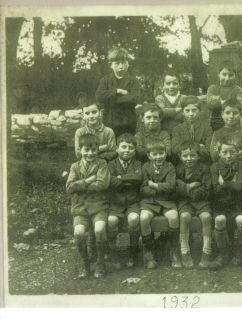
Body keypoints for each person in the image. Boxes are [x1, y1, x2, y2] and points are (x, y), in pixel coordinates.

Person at [66, 133, 110, 279]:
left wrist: (81, 185)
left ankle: (100, 262)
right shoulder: (75, 166)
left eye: (93, 150)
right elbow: (69, 187)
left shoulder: (102, 164)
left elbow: (102, 184)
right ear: (80, 150)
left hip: (99, 205)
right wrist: (89, 180)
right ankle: (85, 264)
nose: (90, 153)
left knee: (99, 229)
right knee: (78, 232)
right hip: (80, 207)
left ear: (98, 150)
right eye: (86, 150)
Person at [139, 139, 180, 269]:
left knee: (173, 217)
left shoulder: (170, 167)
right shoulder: (145, 167)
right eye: (155, 154)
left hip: (167, 201)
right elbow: (142, 189)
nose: (158, 157)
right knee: (144, 218)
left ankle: (173, 251)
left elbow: (171, 187)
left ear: (165, 153)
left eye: (161, 153)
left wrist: (154, 185)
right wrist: (159, 189)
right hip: (149, 202)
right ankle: (149, 253)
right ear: (149, 156)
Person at [209, 137, 242, 268]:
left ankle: (239, 252)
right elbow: (215, 190)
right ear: (219, 153)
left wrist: (224, 183)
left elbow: (241, 186)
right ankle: (223, 253)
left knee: (241, 220)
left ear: (238, 152)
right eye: (224, 152)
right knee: (219, 220)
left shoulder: (241, 165)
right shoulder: (215, 167)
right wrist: (232, 182)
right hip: (220, 204)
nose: (228, 155)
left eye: (232, 152)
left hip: (238, 203)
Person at [107, 133, 142, 268]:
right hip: (115, 203)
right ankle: (113, 252)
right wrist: (128, 179)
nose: (127, 150)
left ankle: (132, 252)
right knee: (111, 221)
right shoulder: (111, 164)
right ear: (117, 148)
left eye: (131, 148)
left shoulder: (138, 163)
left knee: (133, 219)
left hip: (132, 202)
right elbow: (112, 182)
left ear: (135, 151)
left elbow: (138, 179)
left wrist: (121, 178)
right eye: (124, 147)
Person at [175, 141, 213, 269]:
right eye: (185, 156)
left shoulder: (204, 168)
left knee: (206, 217)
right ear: (180, 157)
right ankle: (184, 251)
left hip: (201, 201)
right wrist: (190, 186)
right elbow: (175, 188)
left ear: (198, 156)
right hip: (184, 202)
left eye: (192, 155)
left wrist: (187, 190)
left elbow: (207, 188)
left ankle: (206, 252)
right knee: (184, 217)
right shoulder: (177, 169)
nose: (189, 159)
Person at [96, 47, 141, 137]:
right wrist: (117, 91)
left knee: (127, 147)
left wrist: (111, 99)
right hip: (109, 120)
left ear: (128, 64)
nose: (121, 66)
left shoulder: (134, 81)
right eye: (117, 63)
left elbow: (135, 99)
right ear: (111, 65)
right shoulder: (105, 80)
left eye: (124, 63)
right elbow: (99, 96)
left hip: (128, 121)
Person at [209, 99, 242, 164]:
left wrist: (223, 153)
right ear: (222, 114)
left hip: (240, 169)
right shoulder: (217, 134)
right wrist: (238, 152)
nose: (231, 116)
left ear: (240, 115)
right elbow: (214, 157)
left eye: (235, 113)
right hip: (221, 169)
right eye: (228, 113)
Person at [171, 95, 213, 163]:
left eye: (194, 110)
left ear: (199, 111)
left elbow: (209, 150)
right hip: (183, 163)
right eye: (187, 110)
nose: (191, 114)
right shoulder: (177, 129)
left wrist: (184, 146)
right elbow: (175, 149)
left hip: (202, 163)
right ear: (182, 112)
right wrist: (199, 146)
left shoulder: (207, 128)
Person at [207, 60, 242, 131]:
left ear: (235, 75)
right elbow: (210, 105)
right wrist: (230, 102)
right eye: (224, 74)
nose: (227, 78)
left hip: (233, 123)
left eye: (231, 75)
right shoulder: (212, 88)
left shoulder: (238, 90)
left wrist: (220, 100)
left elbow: (240, 106)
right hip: (216, 122)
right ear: (219, 74)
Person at [155, 69, 186, 134]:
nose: (171, 86)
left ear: (179, 84)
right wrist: (178, 110)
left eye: (174, 83)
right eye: (168, 83)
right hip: (165, 134)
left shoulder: (184, 98)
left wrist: (169, 112)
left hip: (182, 134)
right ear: (163, 85)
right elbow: (162, 112)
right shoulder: (160, 98)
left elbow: (186, 115)